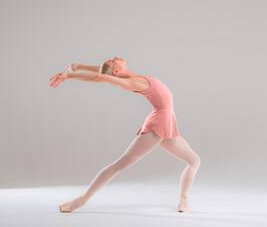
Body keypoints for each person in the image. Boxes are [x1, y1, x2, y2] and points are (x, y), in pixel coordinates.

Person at [49, 57, 201, 213]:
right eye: (112, 61)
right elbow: (101, 77)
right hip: (157, 126)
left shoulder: (130, 77)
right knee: (119, 166)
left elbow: (103, 72)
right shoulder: (134, 83)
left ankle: (183, 199)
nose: (114, 57)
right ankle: (81, 200)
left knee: (194, 161)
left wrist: (80, 66)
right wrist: (69, 76)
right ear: (116, 71)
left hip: (167, 125)